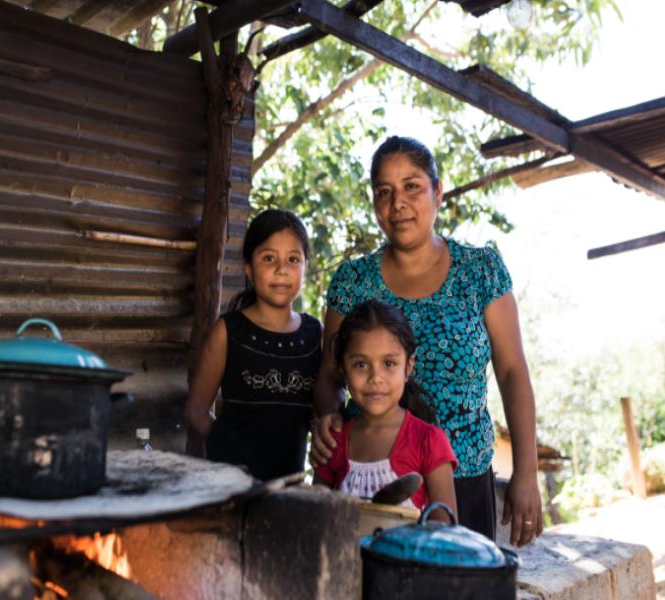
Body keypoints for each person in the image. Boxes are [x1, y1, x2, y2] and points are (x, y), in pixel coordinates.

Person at [311, 136, 543, 545]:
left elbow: (511, 371)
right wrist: (327, 420)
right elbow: (330, 376)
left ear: (438, 191)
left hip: (465, 477)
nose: (398, 203)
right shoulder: (352, 281)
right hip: (370, 482)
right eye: (384, 192)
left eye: (412, 186)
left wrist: (526, 471)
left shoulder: (480, 270)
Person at [185, 209, 321, 481]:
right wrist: (228, 451)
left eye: (293, 259)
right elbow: (196, 411)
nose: (281, 269)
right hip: (232, 487)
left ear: (305, 267)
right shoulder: (228, 331)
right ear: (248, 266)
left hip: (289, 489)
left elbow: (321, 409)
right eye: (269, 258)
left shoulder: (314, 334)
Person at [312, 300, 457, 518]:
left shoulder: (429, 441)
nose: (375, 378)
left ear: (408, 368)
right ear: (343, 370)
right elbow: (315, 516)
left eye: (388, 363)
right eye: (361, 364)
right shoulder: (334, 440)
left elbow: (446, 533)